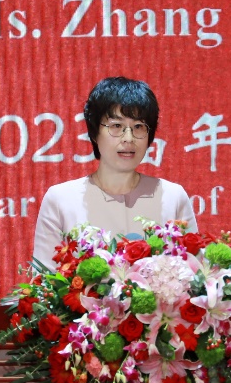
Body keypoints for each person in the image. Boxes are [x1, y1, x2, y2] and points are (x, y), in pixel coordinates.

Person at [32, 77, 197, 268]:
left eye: (138, 127)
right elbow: (44, 280)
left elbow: (195, 274)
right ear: (94, 132)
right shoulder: (60, 200)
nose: (128, 138)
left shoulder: (172, 197)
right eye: (116, 126)